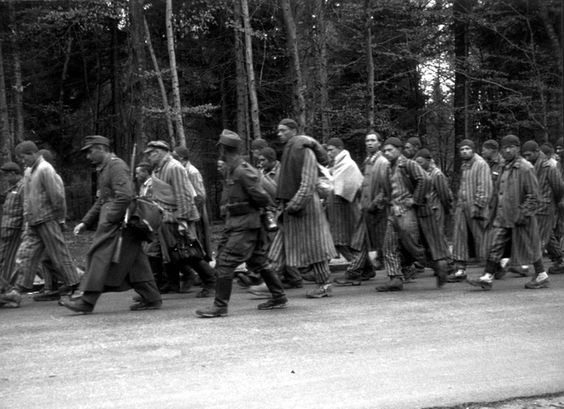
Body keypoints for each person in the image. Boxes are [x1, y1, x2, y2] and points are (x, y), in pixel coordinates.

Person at [61, 135, 162, 314]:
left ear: (101, 148)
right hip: (115, 222)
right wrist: (86, 221)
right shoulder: (105, 168)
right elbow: (103, 199)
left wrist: (111, 218)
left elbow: (125, 195)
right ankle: (152, 298)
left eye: (91, 151)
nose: (88, 156)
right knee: (135, 261)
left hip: (120, 223)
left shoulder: (115, 166)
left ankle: (87, 301)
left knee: (100, 258)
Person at [196, 130, 287, 318]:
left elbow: (262, 196)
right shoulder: (233, 168)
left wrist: (255, 211)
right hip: (240, 224)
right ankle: (279, 296)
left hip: (245, 225)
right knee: (258, 261)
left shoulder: (241, 170)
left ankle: (220, 306)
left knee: (225, 263)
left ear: (223, 148)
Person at [467, 135, 549, 290]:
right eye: (505, 147)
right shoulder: (503, 166)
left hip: (521, 218)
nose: (508, 150)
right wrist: (493, 213)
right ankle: (487, 276)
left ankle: (541, 275)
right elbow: (499, 192)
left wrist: (523, 214)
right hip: (504, 217)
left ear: (518, 148)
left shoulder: (525, 168)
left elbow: (534, 196)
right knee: (496, 245)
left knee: (531, 246)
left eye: (512, 147)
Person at [268, 118, 337, 298]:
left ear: (293, 130)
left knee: (316, 247)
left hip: (306, 208)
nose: (279, 133)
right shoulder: (290, 149)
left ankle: (324, 284)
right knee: (280, 243)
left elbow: (308, 183)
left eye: (283, 130)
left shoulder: (304, 151)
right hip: (291, 207)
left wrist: (294, 205)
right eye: (278, 130)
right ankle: (269, 280)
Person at [145, 141, 217, 299]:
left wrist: (182, 220)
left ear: (160, 152)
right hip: (162, 217)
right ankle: (158, 288)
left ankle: (210, 282)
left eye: (151, 153)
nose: (148, 157)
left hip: (176, 218)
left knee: (189, 253)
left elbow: (183, 195)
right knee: (157, 251)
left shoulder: (174, 167)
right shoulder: (158, 169)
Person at [11, 141, 80, 300]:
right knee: (25, 254)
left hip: (48, 219)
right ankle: (16, 290)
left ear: (32, 153)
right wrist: (27, 219)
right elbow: (27, 198)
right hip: (33, 221)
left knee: (59, 255)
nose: (22, 161)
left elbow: (57, 196)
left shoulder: (45, 169)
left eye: (23, 157)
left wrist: (60, 219)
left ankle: (76, 286)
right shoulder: (29, 172)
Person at [375, 137, 440, 292]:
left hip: (407, 212)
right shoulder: (387, 168)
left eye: (390, 150)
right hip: (393, 212)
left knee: (412, 247)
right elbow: (387, 191)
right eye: (384, 151)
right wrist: (379, 202)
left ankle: (438, 263)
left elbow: (425, 179)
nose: (387, 153)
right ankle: (395, 278)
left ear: (399, 149)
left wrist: (414, 200)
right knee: (388, 246)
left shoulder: (408, 164)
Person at [324, 137, 372, 286]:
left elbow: (353, 186)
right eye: (327, 150)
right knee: (341, 240)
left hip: (348, 208)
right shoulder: (337, 164)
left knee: (350, 241)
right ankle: (367, 269)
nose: (329, 153)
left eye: (331, 150)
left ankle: (355, 270)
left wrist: (328, 185)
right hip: (339, 209)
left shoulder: (348, 164)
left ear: (339, 148)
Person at [448, 139, 492, 282]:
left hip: (477, 208)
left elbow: (485, 186)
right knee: (459, 237)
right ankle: (459, 269)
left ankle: (490, 269)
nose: (464, 151)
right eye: (462, 149)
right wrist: (459, 204)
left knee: (481, 239)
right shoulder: (465, 165)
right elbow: (464, 186)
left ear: (473, 149)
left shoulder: (480, 164)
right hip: (463, 207)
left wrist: (479, 205)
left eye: (467, 148)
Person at [521, 140, 564, 274]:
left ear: (537, 151)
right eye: (525, 156)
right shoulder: (529, 166)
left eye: (529, 155)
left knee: (538, 239)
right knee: (548, 236)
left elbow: (559, 187)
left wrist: (553, 203)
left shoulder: (548, 166)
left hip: (546, 207)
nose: (527, 158)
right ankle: (560, 260)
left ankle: (540, 273)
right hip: (536, 207)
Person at [360, 131, 389, 272]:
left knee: (381, 234)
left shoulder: (382, 162)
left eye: (372, 140)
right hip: (367, 205)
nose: (369, 143)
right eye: (367, 141)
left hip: (378, 206)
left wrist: (377, 203)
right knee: (372, 235)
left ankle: (385, 260)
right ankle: (378, 258)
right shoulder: (368, 161)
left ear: (379, 143)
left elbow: (386, 187)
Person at [414, 148, 453, 235]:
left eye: (420, 162)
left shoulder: (437, 174)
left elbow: (444, 194)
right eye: (417, 163)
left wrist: (448, 210)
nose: (418, 165)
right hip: (425, 211)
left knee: (437, 235)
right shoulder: (421, 174)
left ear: (428, 161)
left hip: (435, 211)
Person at [0, 162, 24, 284]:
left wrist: (25, 229)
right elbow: (3, 198)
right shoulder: (12, 188)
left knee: (7, 259)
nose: (4, 179)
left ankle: (6, 288)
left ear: (13, 173)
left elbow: (26, 209)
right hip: (7, 228)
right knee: (4, 257)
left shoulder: (23, 187)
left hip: (15, 228)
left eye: (6, 175)